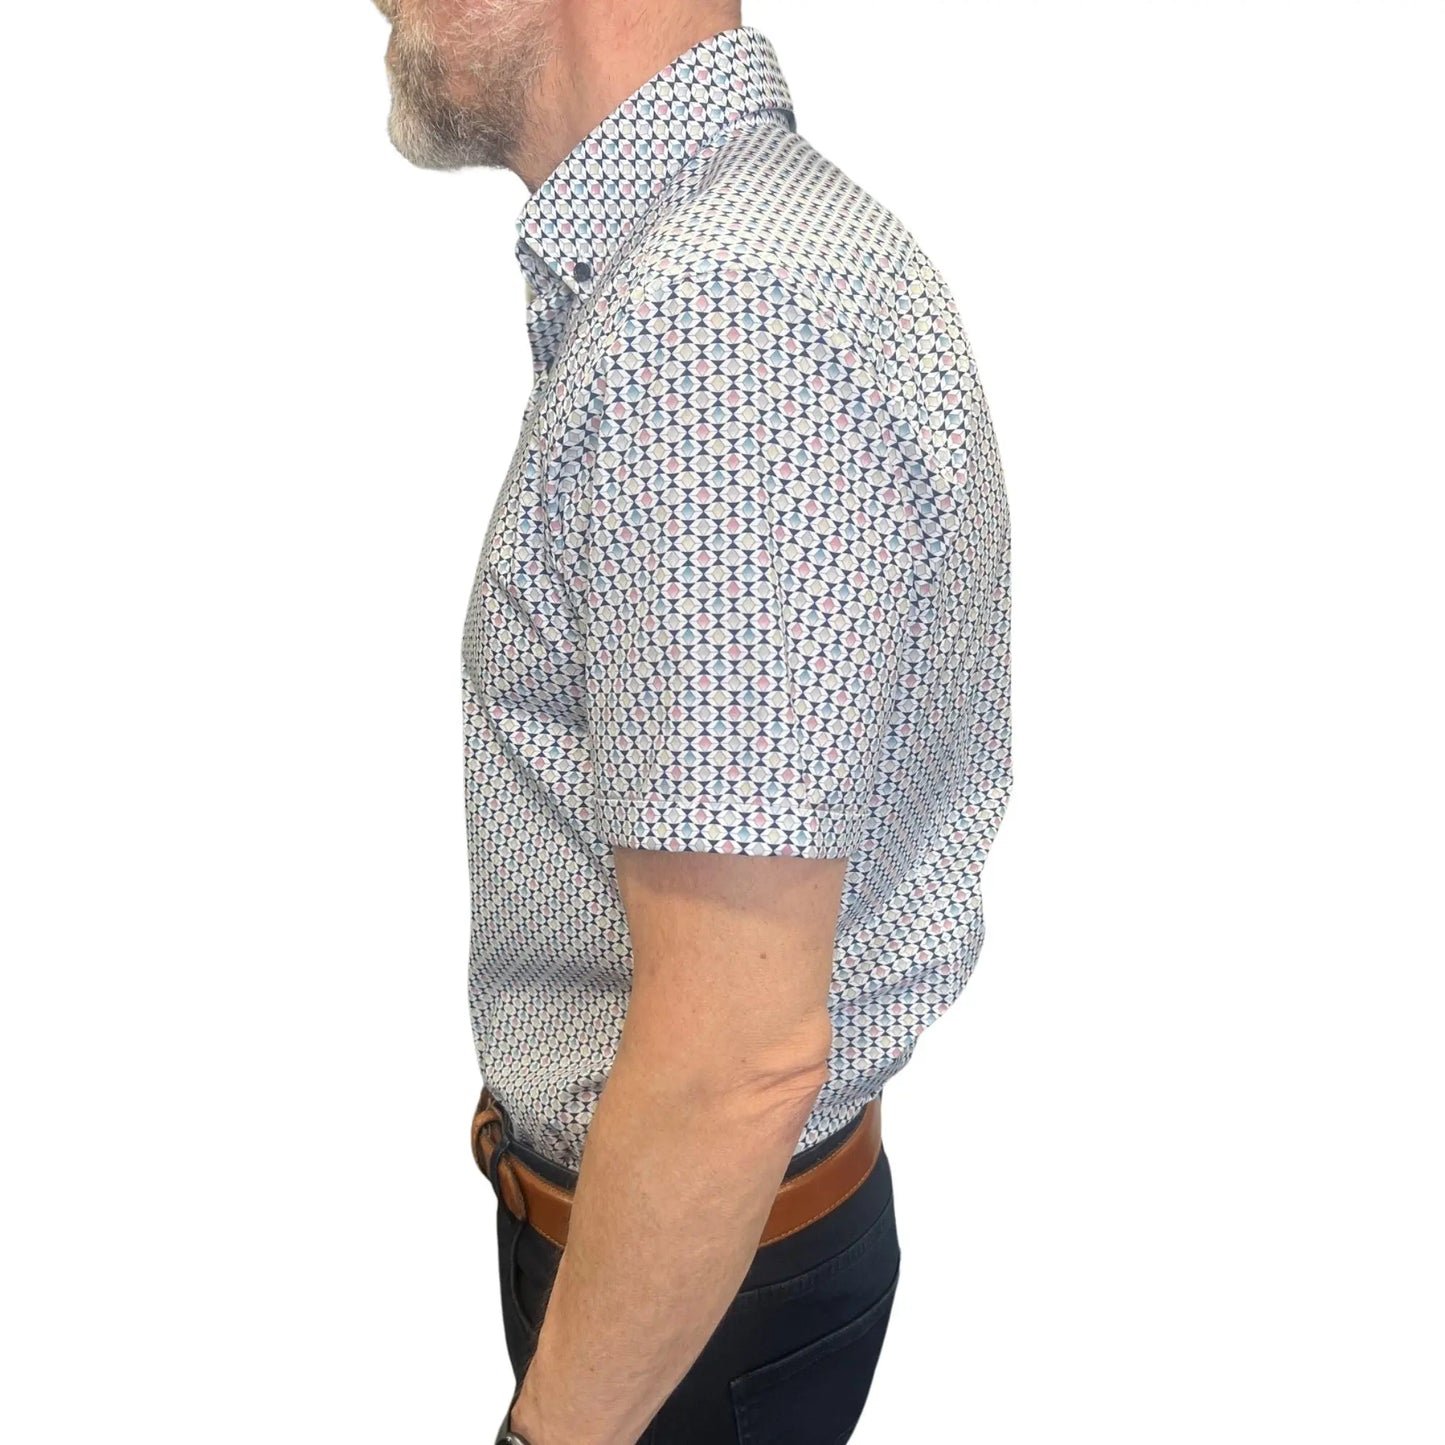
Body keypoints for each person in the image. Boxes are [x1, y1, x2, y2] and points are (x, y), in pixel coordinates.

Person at [370, 3, 1012, 1440]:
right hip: (690, 1273)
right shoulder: (720, 266)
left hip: (684, 1306)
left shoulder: (721, 314)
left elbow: (736, 1058)